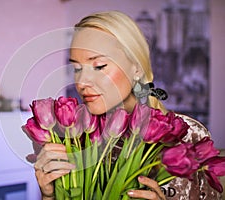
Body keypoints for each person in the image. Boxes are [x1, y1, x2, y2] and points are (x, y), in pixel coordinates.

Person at [33, 11, 222, 200]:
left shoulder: (188, 135)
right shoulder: (71, 137)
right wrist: (49, 196)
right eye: (76, 68)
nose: (82, 82)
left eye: (99, 66)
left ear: (137, 68)